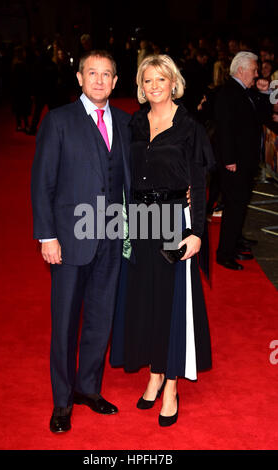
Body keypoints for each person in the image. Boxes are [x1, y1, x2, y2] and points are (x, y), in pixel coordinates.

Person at [31, 50, 131, 433]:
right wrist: (47, 236)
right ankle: (61, 401)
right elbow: (43, 183)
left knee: (100, 319)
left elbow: (133, 179)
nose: (100, 80)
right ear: (79, 78)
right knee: (65, 322)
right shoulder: (58, 121)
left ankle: (88, 388)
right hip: (69, 242)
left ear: (116, 81)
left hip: (110, 236)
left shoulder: (123, 122)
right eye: (93, 73)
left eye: (107, 74)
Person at [110, 54, 213, 427]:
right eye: (147, 81)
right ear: (141, 85)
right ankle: (154, 373)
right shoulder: (135, 123)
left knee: (171, 305)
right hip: (140, 222)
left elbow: (199, 185)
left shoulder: (190, 127)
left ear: (174, 82)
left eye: (161, 80)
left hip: (173, 222)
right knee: (146, 301)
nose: (154, 87)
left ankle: (171, 384)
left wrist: (197, 232)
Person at [214, 51, 273, 270]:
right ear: (241, 70)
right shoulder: (229, 92)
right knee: (234, 206)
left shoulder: (245, 91)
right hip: (234, 162)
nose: (257, 74)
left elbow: (262, 117)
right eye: (254, 70)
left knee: (240, 205)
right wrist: (229, 159)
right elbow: (224, 129)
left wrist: (265, 94)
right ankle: (225, 253)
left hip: (245, 161)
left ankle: (236, 241)